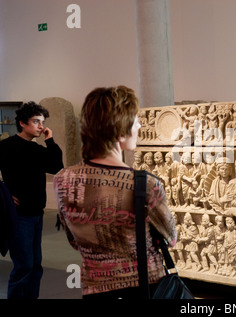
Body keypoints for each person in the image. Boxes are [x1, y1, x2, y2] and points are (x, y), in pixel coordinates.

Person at [53, 86, 177, 299]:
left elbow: (73, 240)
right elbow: (171, 238)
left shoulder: (62, 179)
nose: (139, 125)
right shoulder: (145, 184)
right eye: (135, 120)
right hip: (146, 287)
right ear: (120, 131)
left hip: (95, 288)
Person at [0, 102, 64, 299]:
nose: (40, 126)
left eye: (42, 122)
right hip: (18, 216)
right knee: (24, 265)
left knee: (35, 265)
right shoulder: (6, 146)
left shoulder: (37, 150)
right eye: (36, 121)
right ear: (22, 123)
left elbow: (56, 166)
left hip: (36, 214)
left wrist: (50, 140)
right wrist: (3, 194)